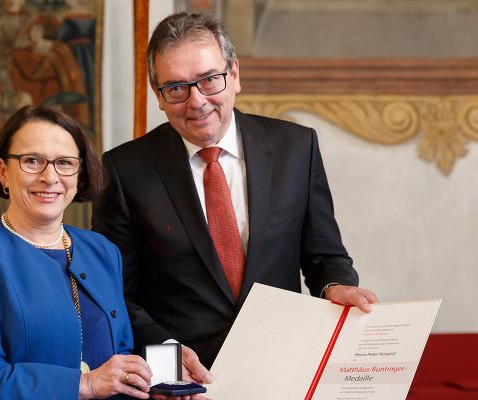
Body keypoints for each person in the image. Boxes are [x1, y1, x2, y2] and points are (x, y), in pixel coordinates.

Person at [91, 11, 378, 383]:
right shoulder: (123, 169)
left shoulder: (296, 147)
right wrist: (167, 358)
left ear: (235, 75)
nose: (196, 101)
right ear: (158, 96)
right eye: (176, 88)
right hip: (183, 378)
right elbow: (115, 294)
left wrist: (335, 285)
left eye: (209, 80)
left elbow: (324, 255)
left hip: (283, 366)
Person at [0, 106, 153, 399]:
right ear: (4, 172)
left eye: (64, 163)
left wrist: (160, 388)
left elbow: (121, 359)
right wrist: (85, 385)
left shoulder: (102, 251)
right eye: (32, 161)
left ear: (79, 175)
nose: (50, 177)